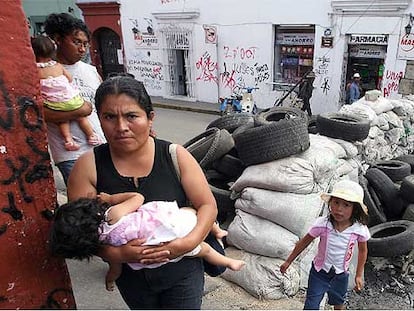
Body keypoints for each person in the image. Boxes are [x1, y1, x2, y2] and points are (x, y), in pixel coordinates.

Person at [67, 75, 218, 309]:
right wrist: (116, 255)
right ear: (99, 119)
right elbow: (80, 228)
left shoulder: (175, 156)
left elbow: (207, 206)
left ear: (150, 118)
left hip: (182, 271)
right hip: (132, 278)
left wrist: (188, 243)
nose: (121, 127)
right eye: (109, 117)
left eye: (131, 116)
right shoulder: (88, 166)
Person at [49, 192, 245, 291]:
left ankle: (229, 262)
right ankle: (218, 230)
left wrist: (110, 279)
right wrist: (112, 198)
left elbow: (115, 268)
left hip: (164, 248)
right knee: (195, 211)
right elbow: (138, 197)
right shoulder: (112, 214)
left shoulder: (108, 246)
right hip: (172, 222)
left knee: (204, 250)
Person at [280, 179, 370, 310]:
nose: (339, 209)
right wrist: (288, 261)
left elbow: (363, 251)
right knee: (311, 305)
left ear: (355, 209)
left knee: (338, 303)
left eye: (346, 205)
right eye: (336, 202)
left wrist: (358, 274)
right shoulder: (323, 224)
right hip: (319, 273)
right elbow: (304, 242)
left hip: (341, 275)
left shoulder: (358, 229)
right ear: (330, 203)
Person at [42, 13, 105, 184]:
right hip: (70, 153)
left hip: (101, 147)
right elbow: (42, 113)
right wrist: (81, 110)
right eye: (76, 42)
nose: (82, 49)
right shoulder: (44, 72)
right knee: (83, 205)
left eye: (85, 44)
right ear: (57, 39)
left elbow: (102, 108)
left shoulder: (90, 71)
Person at [32, 36, 100, 151]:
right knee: (82, 117)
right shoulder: (58, 66)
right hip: (71, 100)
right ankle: (91, 135)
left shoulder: (35, 70)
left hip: (53, 103)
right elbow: (69, 78)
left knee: (62, 121)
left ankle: (68, 140)